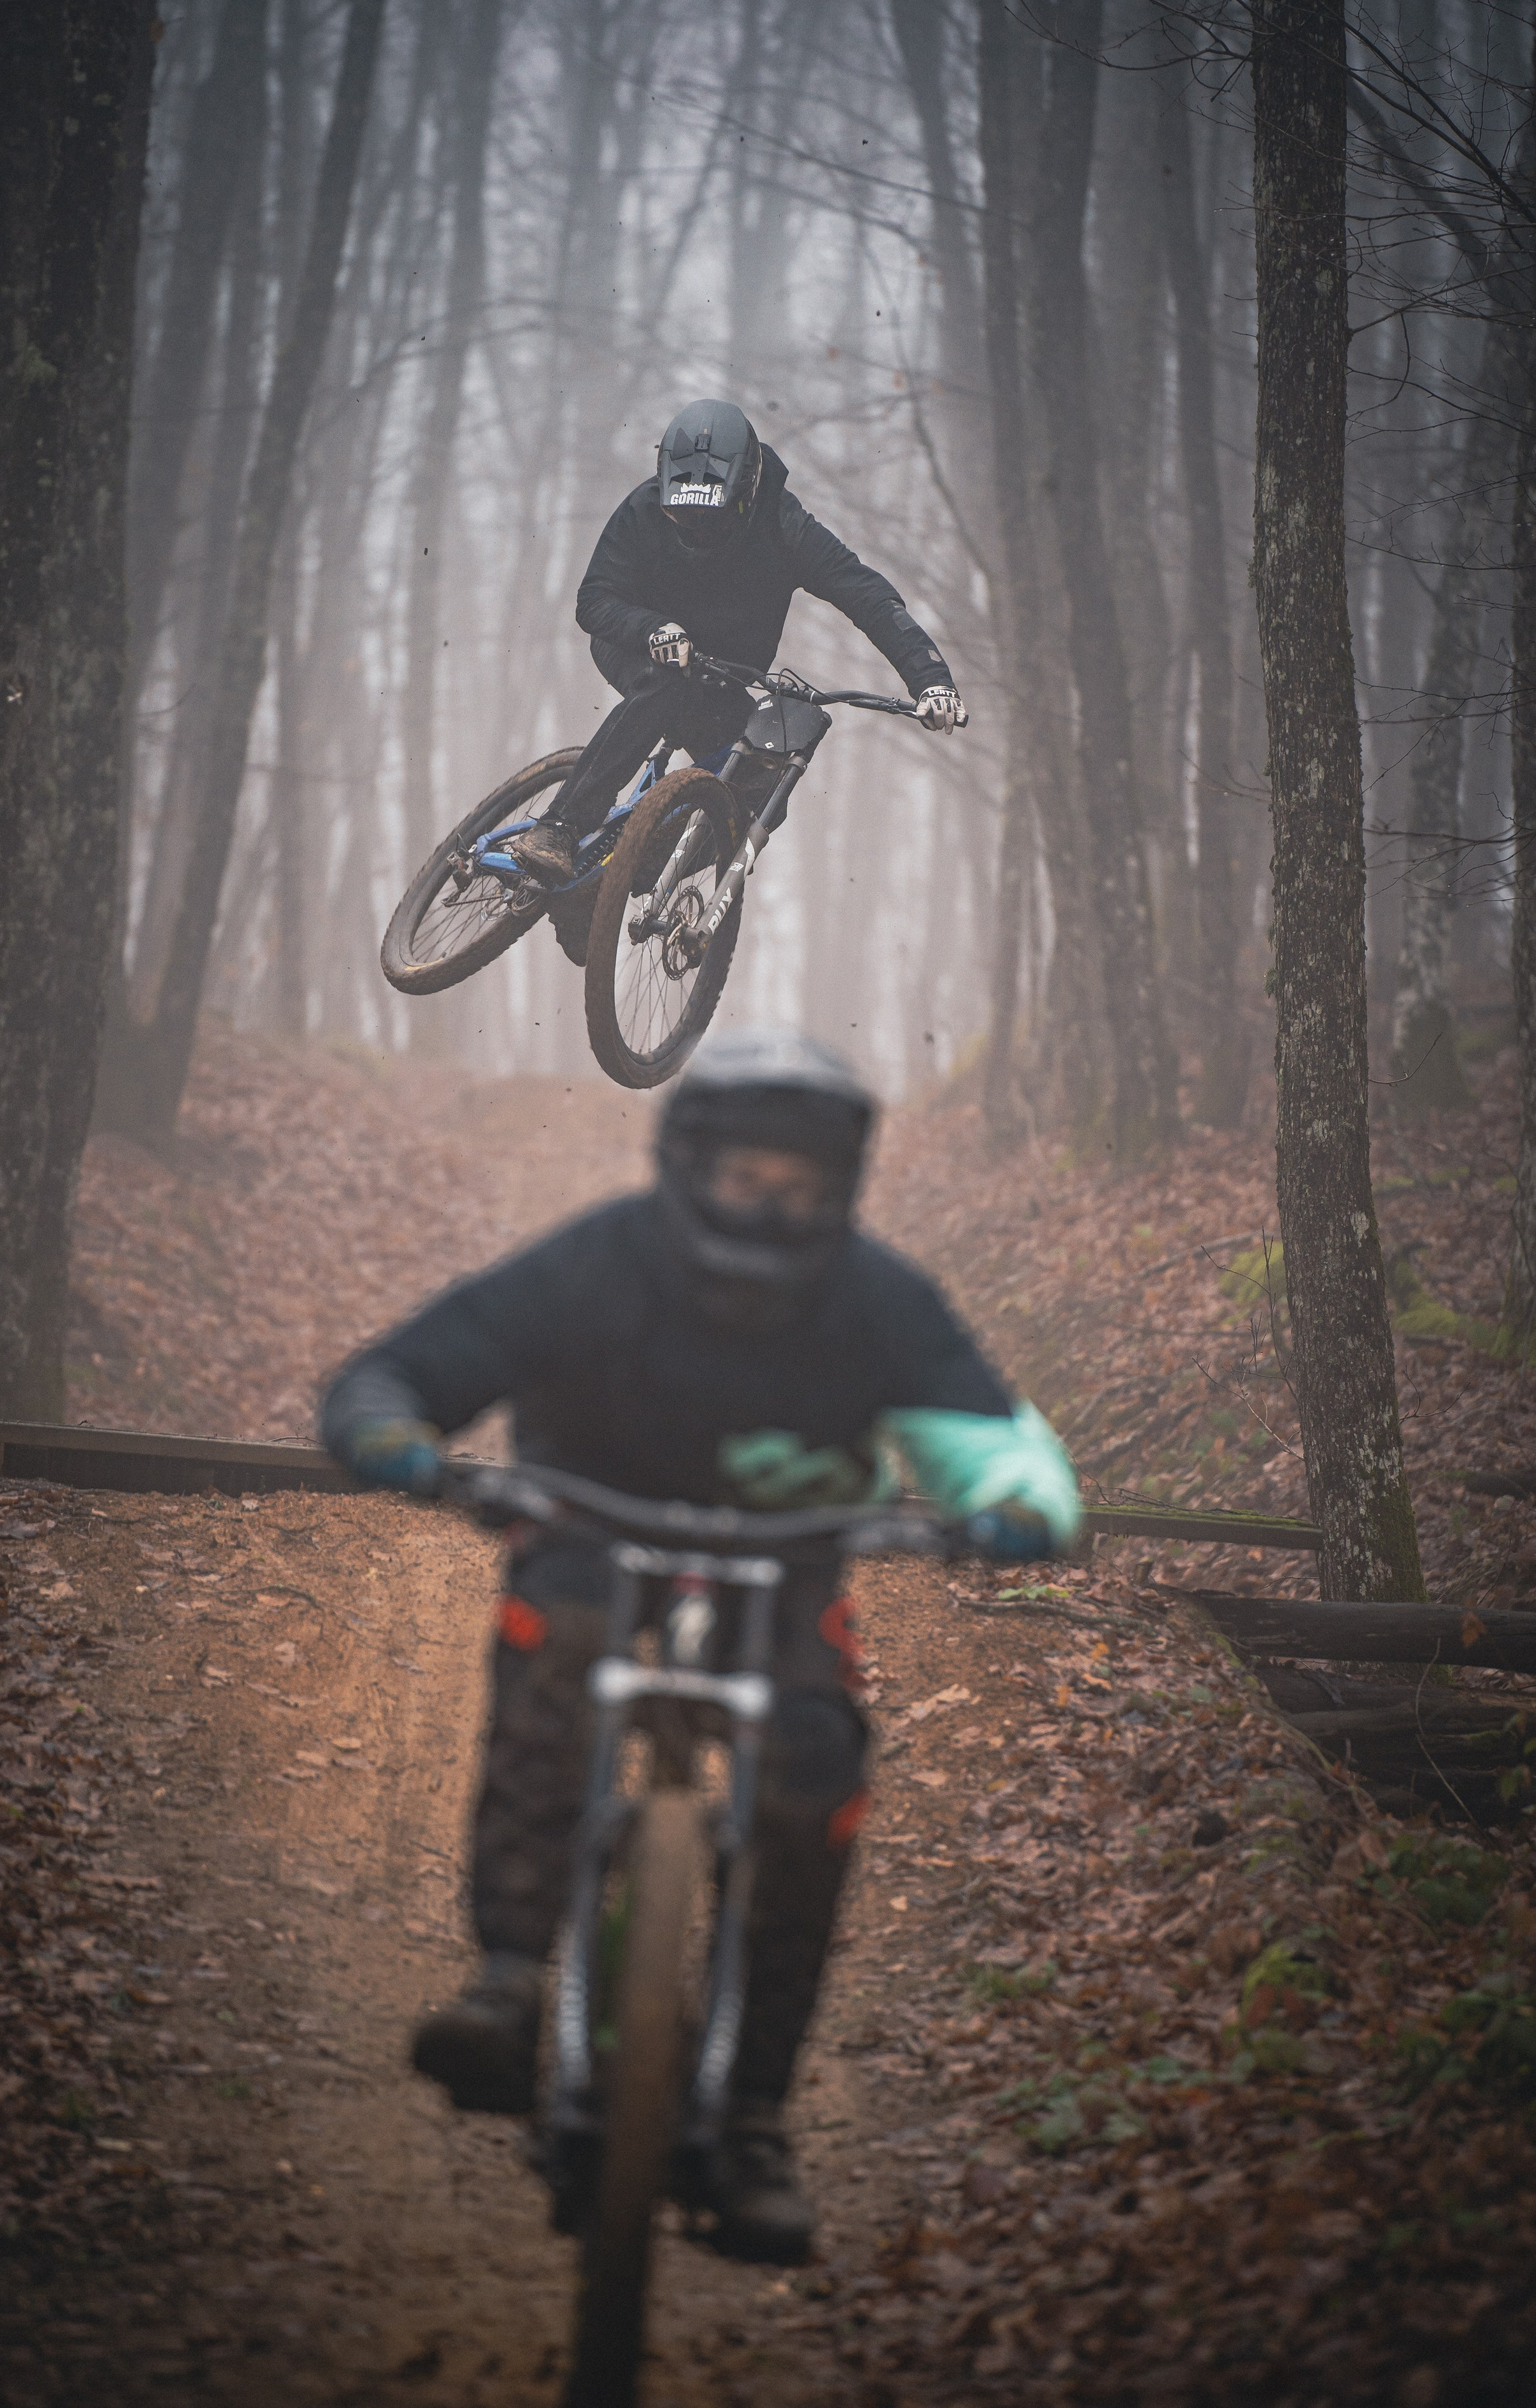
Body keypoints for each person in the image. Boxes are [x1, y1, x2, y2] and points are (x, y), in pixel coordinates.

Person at [320, 1030, 1077, 2264]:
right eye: (745, 1180)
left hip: (789, 1568)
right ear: (689, 1165)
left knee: (816, 1776)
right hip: (585, 1532)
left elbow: (982, 1427)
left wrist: (1020, 1504)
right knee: (553, 1668)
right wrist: (391, 1430)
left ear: (842, 1194)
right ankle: (510, 1981)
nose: (770, 1208)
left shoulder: (878, 1297)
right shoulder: (595, 1260)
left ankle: (748, 2120)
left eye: (800, 1188)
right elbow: (408, 1366)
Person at [503, 398, 966, 888]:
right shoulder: (644, 507)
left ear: (747, 491)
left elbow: (868, 597)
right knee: (666, 684)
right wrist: (653, 629)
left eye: (714, 521)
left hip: (720, 676)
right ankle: (560, 826)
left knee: (765, 786)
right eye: (682, 520)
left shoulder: (786, 527)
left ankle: (614, 887)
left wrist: (932, 681)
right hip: (636, 645)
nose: (698, 535)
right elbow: (594, 600)